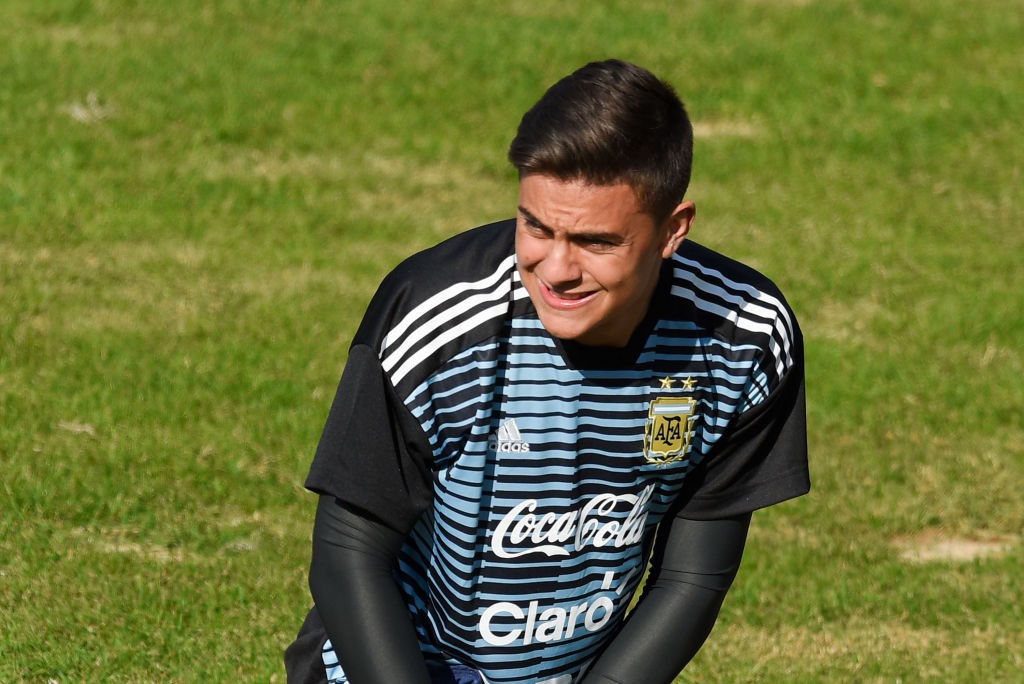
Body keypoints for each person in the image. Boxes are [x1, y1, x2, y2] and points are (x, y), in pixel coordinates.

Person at [285, 58, 809, 684]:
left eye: (595, 242)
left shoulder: (742, 337)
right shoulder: (434, 322)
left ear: (673, 230)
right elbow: (348, 558)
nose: (556, 268)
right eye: (535, 227)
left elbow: (692, 576)